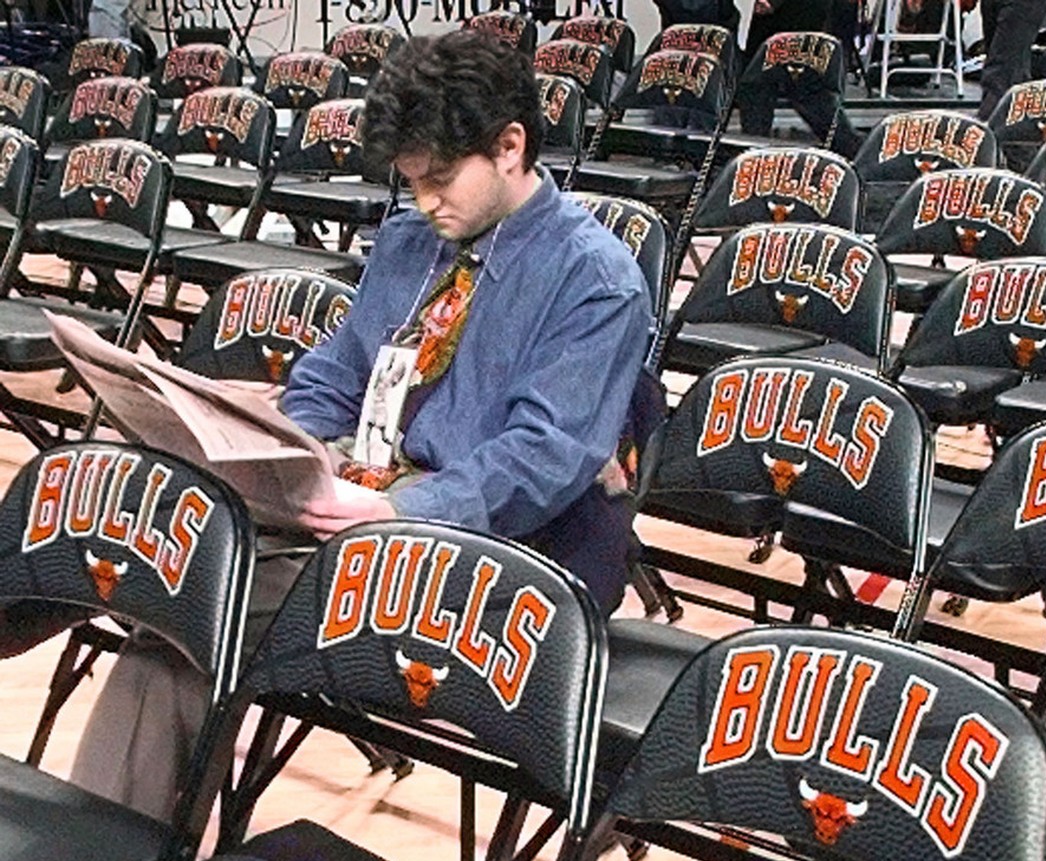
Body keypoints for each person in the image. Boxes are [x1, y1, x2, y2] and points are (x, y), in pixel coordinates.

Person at [67, 29, 653, 821]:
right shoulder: (414, 239)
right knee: (166, 572)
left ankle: (107, 851)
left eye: (439, 178)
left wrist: (396, 511)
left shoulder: (595, 278)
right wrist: (284, 453)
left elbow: (540, 459)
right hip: (353, 507)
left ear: (511, 146)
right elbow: (338, 373)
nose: (423, 201)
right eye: (409, 181)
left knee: (187, 594)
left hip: (477, 554)